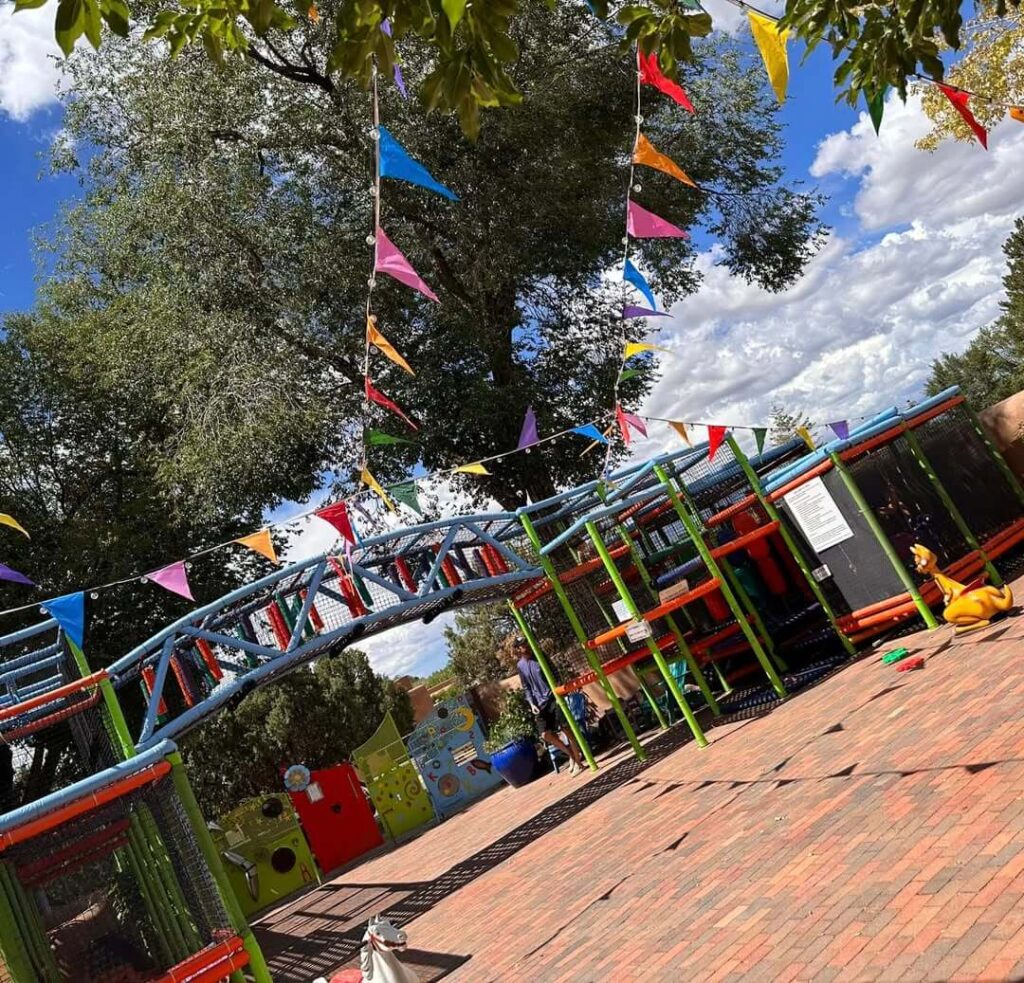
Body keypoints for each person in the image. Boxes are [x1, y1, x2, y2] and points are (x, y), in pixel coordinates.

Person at [514, 638, 584, 776]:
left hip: (553, 697)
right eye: (522, 645)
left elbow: (554, 671)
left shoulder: (539, 655)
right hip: (539, 704)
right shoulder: (520, 666)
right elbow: (526, 686)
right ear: (518, 649)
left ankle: (578, 762)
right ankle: (571, 755)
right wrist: (531, 703)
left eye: (526, 643)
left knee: (566, 728)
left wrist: (558, 690)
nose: (525, 647)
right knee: (545, 734)